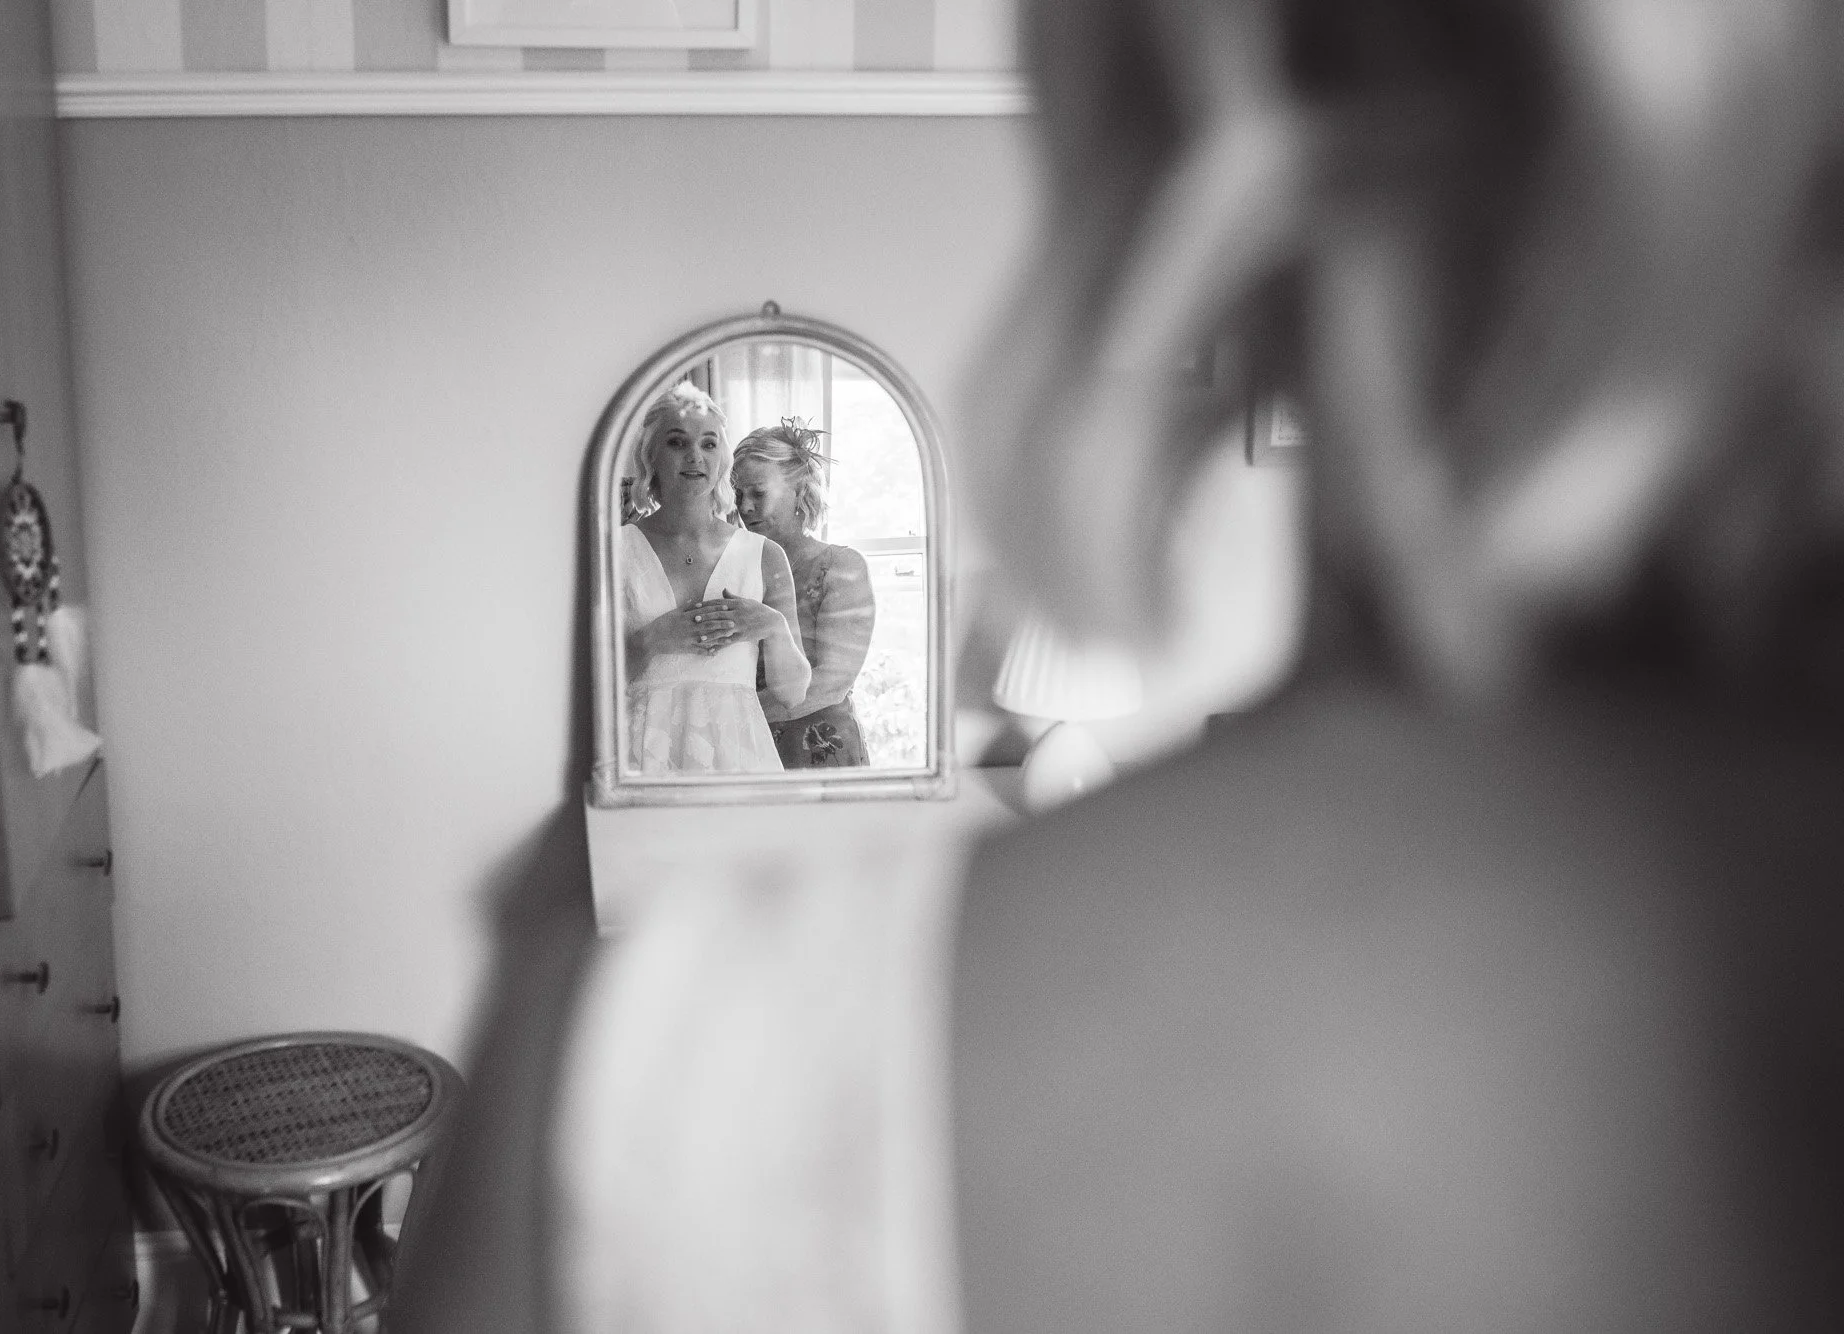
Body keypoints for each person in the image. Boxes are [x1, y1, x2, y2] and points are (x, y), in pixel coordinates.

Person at [395, 2, 1844, 1330]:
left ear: (1177, 112)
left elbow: (818, 698)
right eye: (721, 464)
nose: (739, 483)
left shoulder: (669, 1088)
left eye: (751, 467)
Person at [618, 382, 809, 774]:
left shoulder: (764, 555)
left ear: (722, 457)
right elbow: (585, 689)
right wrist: (651, 640)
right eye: (676, 442)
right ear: (650, 453)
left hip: (741, 762)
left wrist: (773, 628)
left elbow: (792, 695)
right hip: (642, 759)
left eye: (708, 444)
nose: (694, 456)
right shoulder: (613, 550)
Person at [732, 420, 877, 768]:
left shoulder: (841, 566)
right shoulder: (736, 570)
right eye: (738, 494)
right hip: (748, 751)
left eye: (757, 492)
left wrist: (735, 714)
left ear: (799, 491)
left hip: (820, 751)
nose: (745, 507)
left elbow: (833, 681)